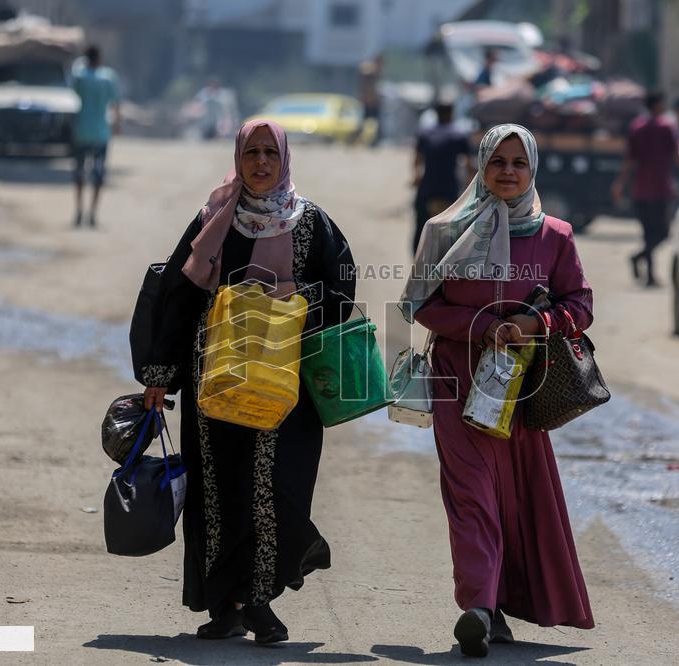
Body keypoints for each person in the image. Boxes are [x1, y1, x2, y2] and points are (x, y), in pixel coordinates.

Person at [141, 120, 356, 644]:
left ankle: (262, 597)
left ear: (285, 159)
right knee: (219, 490)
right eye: (251, 153)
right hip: (214, 379)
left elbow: (343, 289)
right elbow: (177, 294)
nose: (261, 163)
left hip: (286, 385)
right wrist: (159, 375)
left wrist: (287, 302)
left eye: (270, 153)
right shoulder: (213, 220)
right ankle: (227, 605)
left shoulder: (311, 224)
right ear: (238, 158)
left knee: (277, 486)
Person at [400, 124, 595, 658]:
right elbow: (421, 305)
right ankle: (479, 610)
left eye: (519, 163)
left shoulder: (554, 236)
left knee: (513, 496)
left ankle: (496, 603)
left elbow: (580, 305)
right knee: (471, 497)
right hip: (456, 381)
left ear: (533, 171)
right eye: (497, 162)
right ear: (479, 167)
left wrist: (533, 325)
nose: (507, 172)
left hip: (522, 386)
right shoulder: (443, 231)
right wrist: (481, 326)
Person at [612, 91, 679, 287]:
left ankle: (642, 263)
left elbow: (629, 161)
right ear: (657, 105)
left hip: (641, 189)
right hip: (661, 189)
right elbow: (677, 155)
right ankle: (646, 271)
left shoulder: (637, 127)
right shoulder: (667, 127)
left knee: (649, 233)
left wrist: (620, 183)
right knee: (663, 232)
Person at [412, 102, 472, 253]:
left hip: (427, 187)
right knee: (450, 229)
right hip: (449, 188)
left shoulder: (425, 133)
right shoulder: (459, 135)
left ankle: (418, 260)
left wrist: (416, 177)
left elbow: (417, 160)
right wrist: (469, 184)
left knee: (421, 227)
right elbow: (467, 164)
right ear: (452, 113)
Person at [71, 45, 120, 228]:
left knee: (79, 173)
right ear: (99, 58)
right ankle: (92, 213)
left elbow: (72, 86)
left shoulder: (80, 76)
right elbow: (115, 103)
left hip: (81, 131)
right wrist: (117, 124)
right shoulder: (108, 77)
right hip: (100, 133)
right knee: (98, 174)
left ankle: (79, 211)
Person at [358, 54, 383, 146]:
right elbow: (363, 69)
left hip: (374, 103)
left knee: (377, 124)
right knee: (363, 123)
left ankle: (375, 141)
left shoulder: (375, 75)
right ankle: (359, 140)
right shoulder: (369, 72)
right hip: (368, 103)